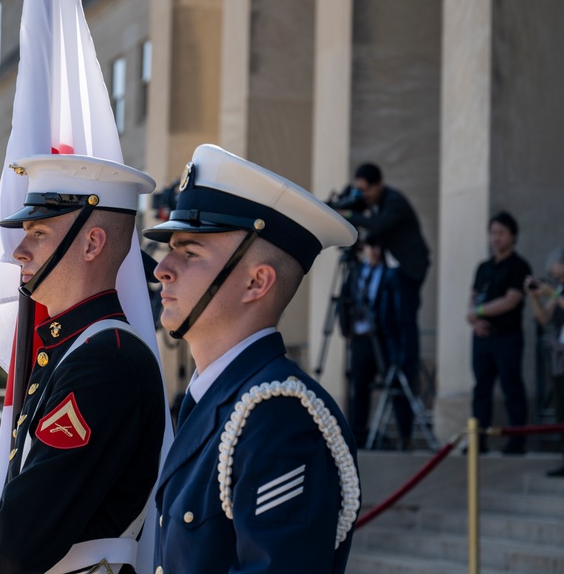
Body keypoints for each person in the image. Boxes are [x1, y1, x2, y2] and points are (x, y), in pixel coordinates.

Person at [0, 155, 167, 574]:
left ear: (92, 243)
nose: (19, 252)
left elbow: (19, 543)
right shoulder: (76, 348)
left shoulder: (105, 359)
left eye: (39, 233)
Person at [146, 144, 360, 573]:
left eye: (190, 253)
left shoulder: (277, 416)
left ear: (256, 283)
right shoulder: (219, 401)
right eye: (170, 249)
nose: (161, 268)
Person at [342, 163, 430, 441]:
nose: (363, 196)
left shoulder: (393, 202)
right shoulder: (377, 204)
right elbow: (370, 235)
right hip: (396, 273)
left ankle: (405, 363)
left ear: (378, 185)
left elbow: (378, 227)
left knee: (403, 323)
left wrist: (349, 213)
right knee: (391, 321)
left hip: (410, 270)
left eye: (365, 190)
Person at [468, 211, 531, 455]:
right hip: (482, 337)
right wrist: (474, 320)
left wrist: (479, 311)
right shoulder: (483, 267)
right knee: (481, 389)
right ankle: (478, 441)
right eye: (493, 233)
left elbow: (511, 300)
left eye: (501, 233)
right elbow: (472, 298)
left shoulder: (519, 265)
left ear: (512, 236)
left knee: (511, 387)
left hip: (507, 337)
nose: (496, 238)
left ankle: (517, 441)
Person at [342, 237, 404, 449]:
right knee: (359, 387)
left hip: (382, 339)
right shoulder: (357, 272)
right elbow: (344, 301)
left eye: (377, 246)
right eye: (370, 246)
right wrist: (346, 329)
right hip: (360, 338)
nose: (373, 251)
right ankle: (357, 434)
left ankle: (402, 434)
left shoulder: (389, 274)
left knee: (392, 384)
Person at [527, 247, 564, 476]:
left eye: (562, 277)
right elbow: (544, 318)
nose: (558, 281)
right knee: (563, 411)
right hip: (562, 361)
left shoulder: (563, 292)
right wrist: (535, 297)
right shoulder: (561, 290)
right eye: (555, 277)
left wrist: (555, 293)